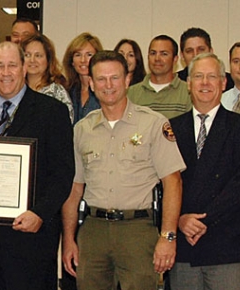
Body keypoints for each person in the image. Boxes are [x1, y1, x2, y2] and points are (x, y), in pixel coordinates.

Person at [62, 50, 184, 289]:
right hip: (93, 229)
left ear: (127, 80)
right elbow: (74, 190)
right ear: (91, 83)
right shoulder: (82, 130)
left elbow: (173, 182)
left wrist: (168, 237)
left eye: (115, 78)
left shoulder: (153, 124)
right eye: (101, 79)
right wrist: (68, 239)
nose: (108, 85)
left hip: (137, 230)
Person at [0, 41, 73, 290]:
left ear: (24, 68)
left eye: (12, 65)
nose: (6, 72)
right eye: (0, 66)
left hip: (29, 244)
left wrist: (40, 213)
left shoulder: (53, 112)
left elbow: (62, 174)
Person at [168, 53, 240, 289]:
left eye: (212, 77)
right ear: (188, 83)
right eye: (198, 76)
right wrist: (179, 220)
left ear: (223, 83)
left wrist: (201, 220)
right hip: (184, 244)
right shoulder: (171, 128)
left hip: (227, 244)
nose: (205, 83)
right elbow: (164, 183)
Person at [127, 35, 192, 119]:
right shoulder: (131, 93)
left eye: (164, 54)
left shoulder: (188, 92)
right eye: (153, 53)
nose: (157, 58)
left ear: (175, 59)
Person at [21, 35, 72, 121]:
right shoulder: (15, 90)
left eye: (38, 56)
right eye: (27, 55)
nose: (32, 60)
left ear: (48, 60)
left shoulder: (57, 92)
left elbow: (66, 124)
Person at [63, 32, 103, 124]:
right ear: (72, 61)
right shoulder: (67, 91)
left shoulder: (105, 90)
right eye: (78, 55)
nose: (83, 60)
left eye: (89, 55)